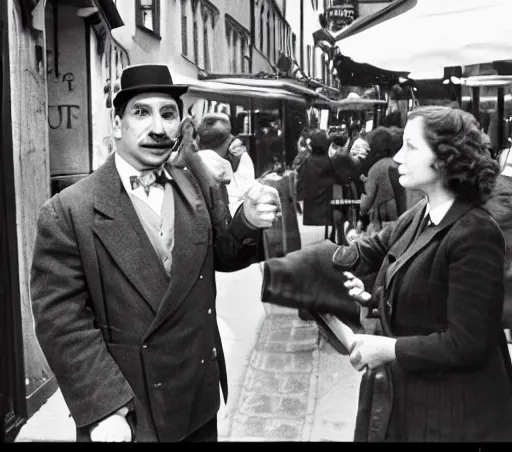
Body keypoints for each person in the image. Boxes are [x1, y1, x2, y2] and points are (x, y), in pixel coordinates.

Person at [29, 64, 281, 443]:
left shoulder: (197, 184)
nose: (158, 127)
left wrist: (246, 220)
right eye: (142, 112)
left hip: (196, 396)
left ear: (181, 123)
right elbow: (61, 321)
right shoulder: (70, 211)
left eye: (168, 113)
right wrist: (105, 407)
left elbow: (222, 255)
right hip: (129, 409)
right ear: (117, 124)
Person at [260, 106, 512, 441]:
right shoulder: (421, 212)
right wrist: (270, 273)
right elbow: (362, 255)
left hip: (451, 416)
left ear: (444, 158)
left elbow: (468, 343)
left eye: (410, 146)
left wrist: (388, 349)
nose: (397, 157)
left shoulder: (475, 233)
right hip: (415, 400)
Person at [359, 126, 405, 233]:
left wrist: (362, 211)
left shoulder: (376, 168)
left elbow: (368, 197)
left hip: (382, 221)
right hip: (400, 216)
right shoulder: (398, 162)